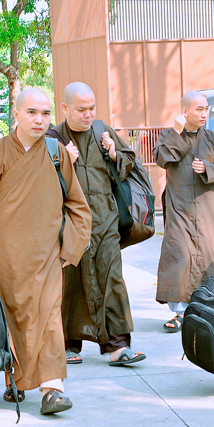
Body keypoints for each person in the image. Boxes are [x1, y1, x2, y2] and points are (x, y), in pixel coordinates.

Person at [0, 88, 92, 415]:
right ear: (16, 114)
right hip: (6, 256)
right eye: (32, 112)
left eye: (45, 114)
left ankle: (52, 390)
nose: (39, 120)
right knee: (14, 319)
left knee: (49, 319)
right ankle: (15, 380)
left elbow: (79, 207)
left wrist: (71, 248)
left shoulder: (56, 153)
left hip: (48, 254)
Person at [53, 82, 146, 366]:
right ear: (65, 108)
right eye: (81, 109)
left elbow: (130, 163)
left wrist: (115, 154)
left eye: (92, 108)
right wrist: (62, 161)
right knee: (71, 283)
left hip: (106, 219)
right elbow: (36, 178)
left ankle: (118, 345)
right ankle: (68, 344)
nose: (88, 114)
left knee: (112, 279)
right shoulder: (53, 137)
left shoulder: (102, 131)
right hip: (70, 225)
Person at [153, 91, 214, 332]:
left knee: (207, 258)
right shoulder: (168, 135)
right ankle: (180, 312)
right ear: (185, 112)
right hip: (179, 207)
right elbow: (162, 159)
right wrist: (177, 134)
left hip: (205, 208)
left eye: (206, 109)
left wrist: (207, 168)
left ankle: (203, 309)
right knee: (180, 257)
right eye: (199, 109)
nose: (204, 114)